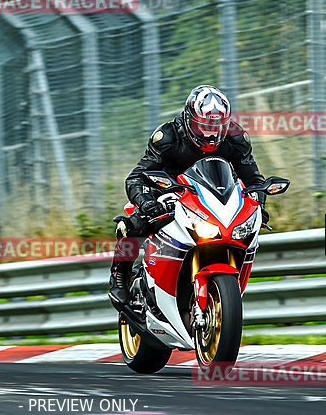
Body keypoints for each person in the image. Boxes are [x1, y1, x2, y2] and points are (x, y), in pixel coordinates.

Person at [109, 85, 268, 304]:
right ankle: (120, 275)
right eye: (202, 126)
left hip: (212, 195)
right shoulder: (167, 136)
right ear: (188, 118)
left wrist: (259, 203)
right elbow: (136, 177)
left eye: (217, 126)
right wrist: (147, 203)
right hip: (166, 190)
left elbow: (254, 180)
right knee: (134, 224)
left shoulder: (236, 138)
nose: (210, 134)